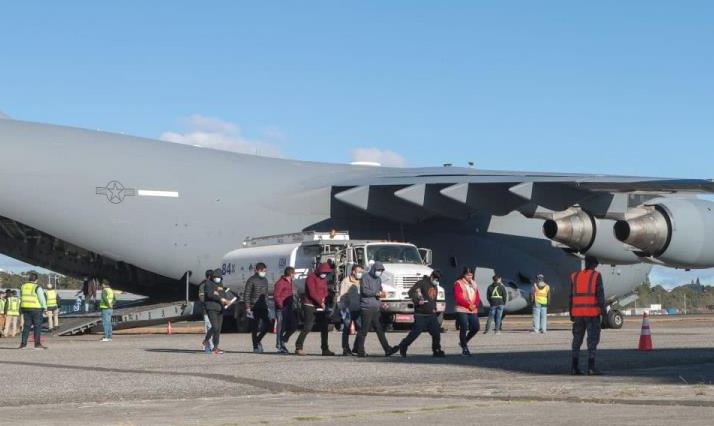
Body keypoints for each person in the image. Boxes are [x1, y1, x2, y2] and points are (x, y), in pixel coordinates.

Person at [570, 257, 606, 376]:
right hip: (592, 314)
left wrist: (571, 313)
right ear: (594, 265)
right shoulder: (596, 276)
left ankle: (574, 367)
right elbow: (600, 296)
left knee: (576, 341)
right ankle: (591, 368)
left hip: (578, 314)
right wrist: (604, 314)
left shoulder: (575, 276)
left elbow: (571, 296)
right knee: (592, 341)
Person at [354, 262, 399, 358]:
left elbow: (380, 292)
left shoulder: (378, 279)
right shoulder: (365, 277)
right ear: (373, 269)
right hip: (366, 307)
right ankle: (360, 350)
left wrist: (382, 303)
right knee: (364, 329)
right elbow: (365, 291)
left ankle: (387, 349)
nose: (379, 272)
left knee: (380, 329)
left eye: (381, 271)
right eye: (378, 270)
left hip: (376, 308)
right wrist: (376, 293)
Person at [398, 271, 445, 358]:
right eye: (435, 279)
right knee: (415, 333)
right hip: (421, 314)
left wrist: (434, 307)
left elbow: (433, 298)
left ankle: (436, 350)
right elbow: (411, 292)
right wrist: (417, 301)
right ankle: (403, 345)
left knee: (436, 333)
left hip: (431, 314)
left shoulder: (435, 286)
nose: (436, 281)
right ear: (431, 276)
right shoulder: (422, 283)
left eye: (438, 280)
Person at [295, 263, 335, 356]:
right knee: (308, 326)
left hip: (320, 305)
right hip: (309, 304)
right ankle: (298, 347)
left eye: (326, 273)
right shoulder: (311, 277)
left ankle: (325, 349)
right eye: (323, 272)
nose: (324, 274)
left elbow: (325, 290)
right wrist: (320, 302)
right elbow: (312, 292)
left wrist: (324, 299)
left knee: (324, 327)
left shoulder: (324, 279)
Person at [243, 262, 270, 353]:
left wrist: (267, 305)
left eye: (265, 271)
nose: (264, 272)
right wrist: (247, 307)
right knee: (254, 327)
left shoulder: (265, 280)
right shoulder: (251, 280)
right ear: (258, 270)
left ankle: (258, 340)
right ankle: (255, 346)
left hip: (263, 306)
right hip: (253, 307)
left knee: (268, 325)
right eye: (263, 271)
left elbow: (266, 294)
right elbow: (246, 294)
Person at [454, 267, 480, 356]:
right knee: (464, 327)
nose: (470, 277)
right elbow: (458, 297)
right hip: (462, 309)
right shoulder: (458, 283)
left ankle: (464, 341)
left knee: (476, 327)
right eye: (468, 275)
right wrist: (468, 305)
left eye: (471, 275)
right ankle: (465, 348)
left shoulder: (474, 283)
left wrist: (475, 305)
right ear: (464, 275)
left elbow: (477, 296)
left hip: (473, 309)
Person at [338, 265, 363, 356]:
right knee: (346, 328)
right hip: (347, 308)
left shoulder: (361, 281)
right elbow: (342, 296)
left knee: (361, 328)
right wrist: (343, 309)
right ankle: (345, 348)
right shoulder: (346, 281)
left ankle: (356, 347)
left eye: (361, 272)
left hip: (358, 308)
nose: (360, 274)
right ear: (353, 271)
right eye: (359, 272)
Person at [19, 272, 48, 349]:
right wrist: (45, 308)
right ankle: (37, 344)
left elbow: (21, 296)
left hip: (25, 308)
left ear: (29, 279)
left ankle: (23, 344)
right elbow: (41, 299)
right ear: (36, 280)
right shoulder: (37, 287)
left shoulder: (23, 286)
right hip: (36, 309)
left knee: (26, 326)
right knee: (37, 326)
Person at [203, 269, 228, 355]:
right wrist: (219, 297)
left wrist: (225, 300)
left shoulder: (220, 284)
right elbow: (210, 295)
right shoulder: (208, 283)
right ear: (213, 276)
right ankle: (206, 340)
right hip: (211, 308)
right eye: (216, 277)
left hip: (220, 308)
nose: (217, 278)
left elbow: (223, 294)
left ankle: (215, 347)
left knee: (218, 329)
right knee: (215, 327)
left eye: (219, 277)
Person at [273, 267, 297, 354]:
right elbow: (276, 296)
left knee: (294, 325)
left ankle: (283, 339)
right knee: (281, 327)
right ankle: (279, 346)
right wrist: (281, 305)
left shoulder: (291, 282)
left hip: (289, 307)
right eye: (294, 273)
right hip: (281, 308)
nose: (294, 275)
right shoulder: (280, 283)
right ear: (291, 274)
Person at [198, 270, 215, 351]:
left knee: (213, 328)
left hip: (214, 310)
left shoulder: (214, 285)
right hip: (206, 310)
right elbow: (202, 298)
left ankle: (212, 345)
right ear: (209, 276)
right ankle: (207, 346)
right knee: (208, 328)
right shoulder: (203, 285)